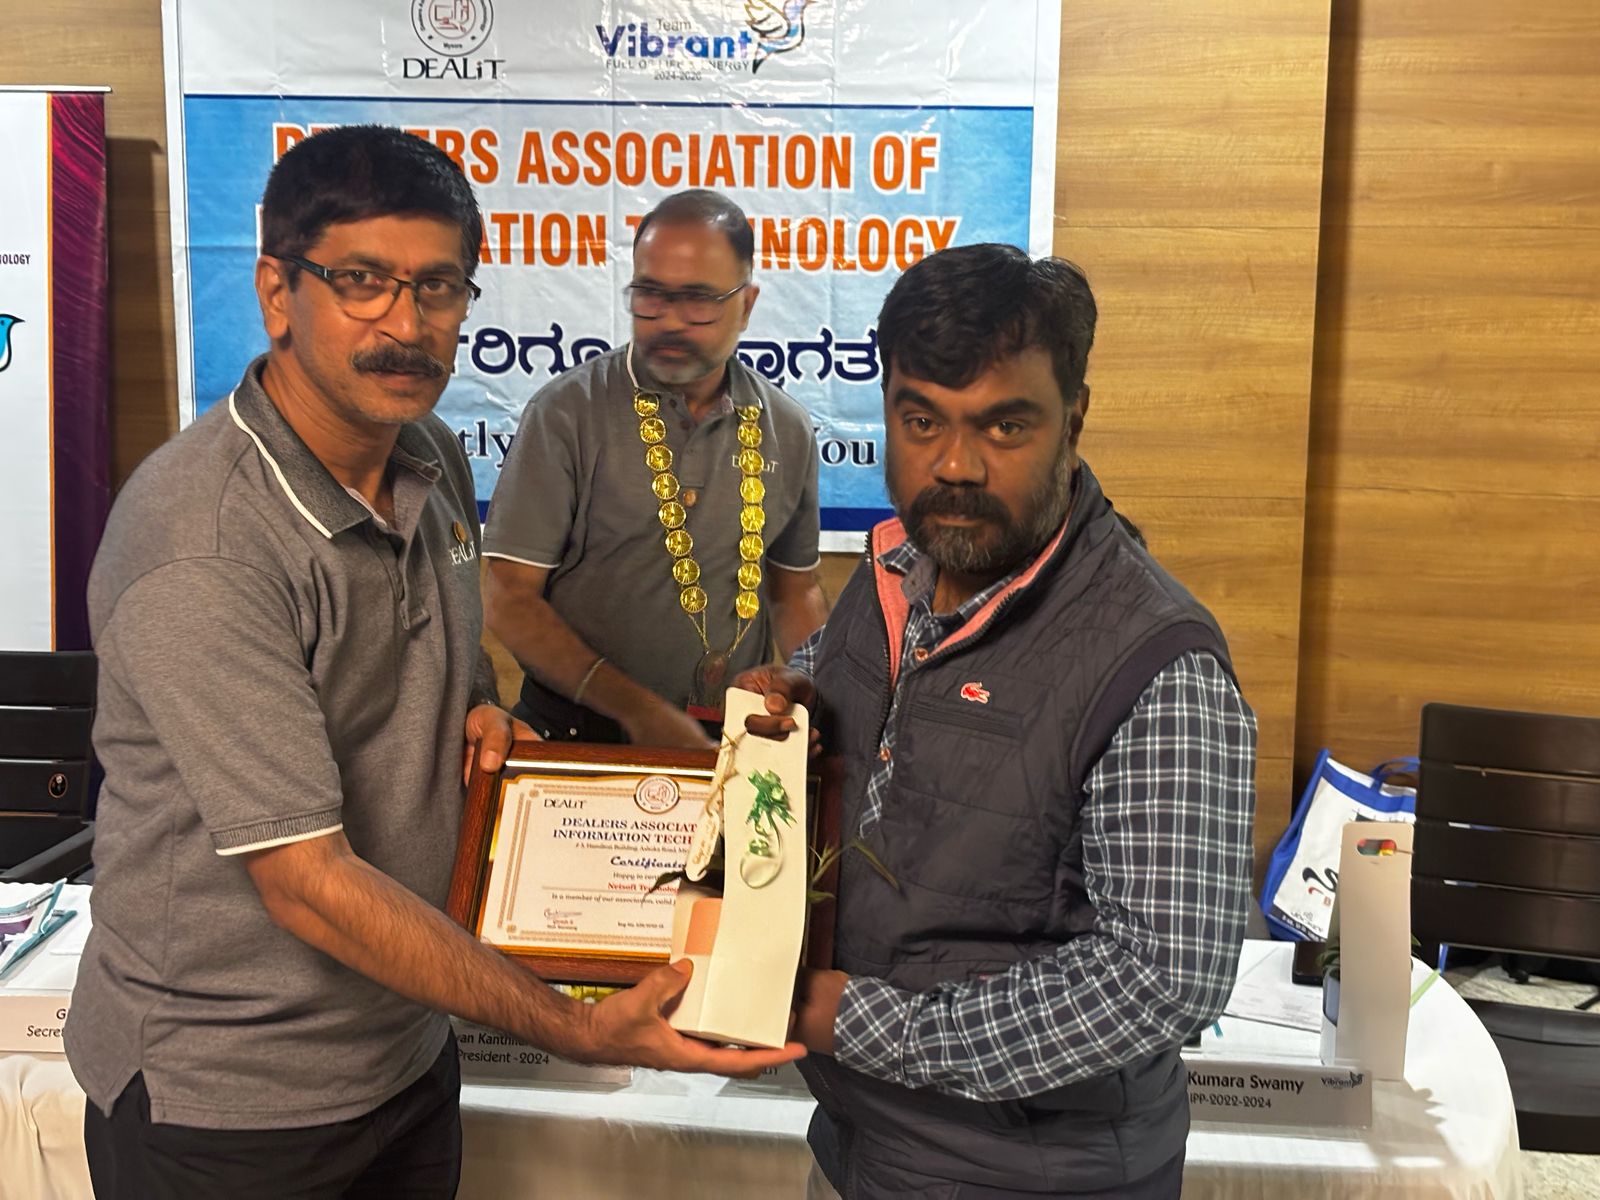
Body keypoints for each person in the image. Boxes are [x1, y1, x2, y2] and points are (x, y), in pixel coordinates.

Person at [64, 126, 799, 1200]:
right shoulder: (203, 543)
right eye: (361, 282)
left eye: (438, 287)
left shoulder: (429, 453)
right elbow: (308, 884)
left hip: (405, 1054)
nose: (406, 326)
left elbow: (449, 687)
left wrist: (485, 721)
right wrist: (571, 1026)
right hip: (229, 1102)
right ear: (276, 291)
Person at [737, 244, 1256, 1198]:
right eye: (921, 420)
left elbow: (1160, 979)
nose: (955, 464)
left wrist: (858, 1024)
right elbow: (851, 694)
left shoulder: (1157, 660)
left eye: (1005, 425)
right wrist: (793, 702)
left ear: (1074, 420)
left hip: (1030, 1175)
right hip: (861, 1142)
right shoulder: (896, 572)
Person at [483, 189, 829, 749]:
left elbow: (795, 592)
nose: (669, 321)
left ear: (746, 305)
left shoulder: (786, 427)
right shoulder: (566, 412)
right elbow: (508, 597)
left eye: (698, 300)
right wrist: (638, 711)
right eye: (650, 295)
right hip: (575, 738)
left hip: (729, 744)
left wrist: (814, 690)